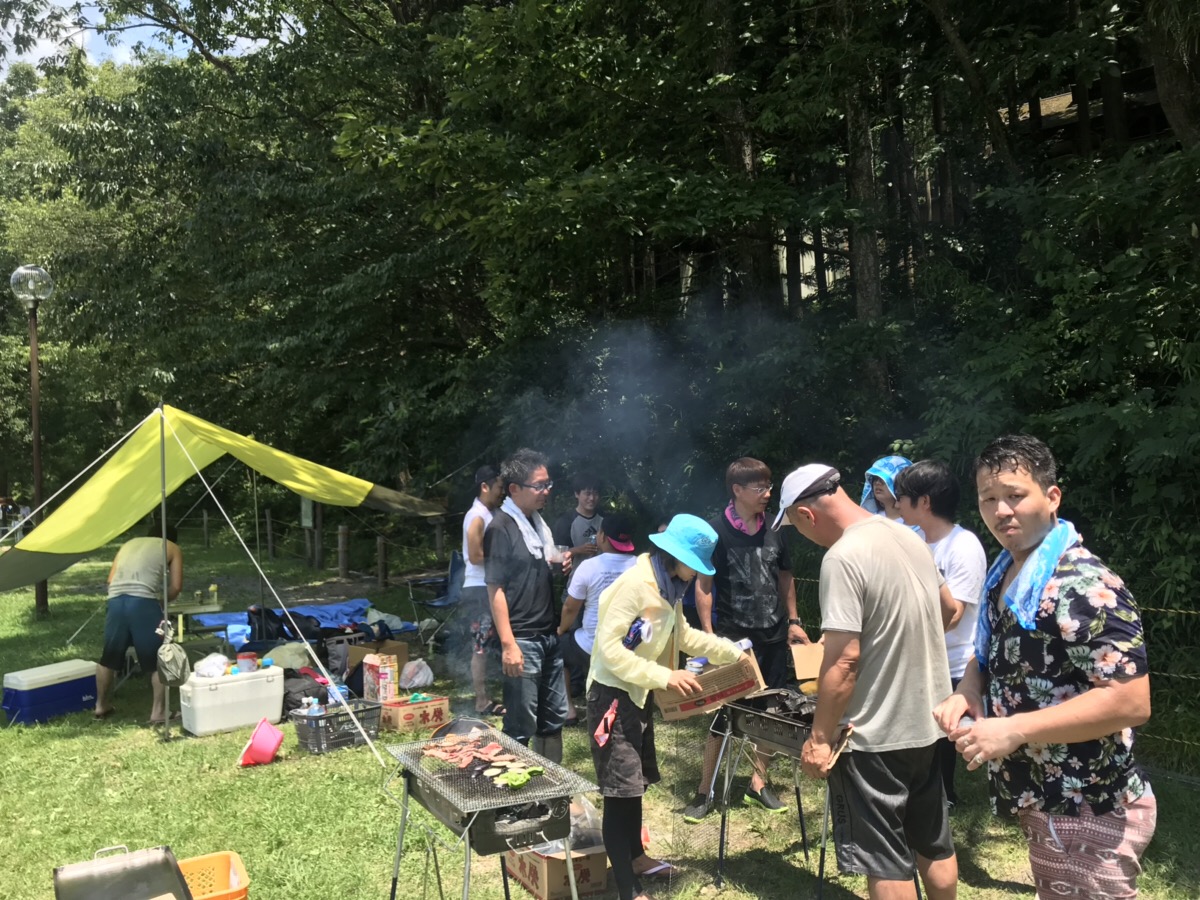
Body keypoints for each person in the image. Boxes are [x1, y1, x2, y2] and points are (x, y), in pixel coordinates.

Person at [934, 435, 1154, 899]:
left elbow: (1130, 701)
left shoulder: (1083, 583)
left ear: (1052, 497)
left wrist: (1013, 729)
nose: (1001, 511)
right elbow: (991, 651)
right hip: (1046, 798)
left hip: (1091, 804)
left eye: (1015, 495)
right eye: (988, 499)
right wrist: (968, 689)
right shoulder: (1009, 572)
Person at [776, 464, 958, 900]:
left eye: (797, 528)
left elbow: (844, 661)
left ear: (807, 515)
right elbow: (949, 610)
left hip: (874, 733)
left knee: (885, 859)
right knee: (933, 841)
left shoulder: (842, 557)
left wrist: (820, 739)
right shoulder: (908, 537)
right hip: (928, 720)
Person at [588, 514, 745, 900]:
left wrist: (734, 653)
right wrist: (664, 676)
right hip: (611, 698)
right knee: (619, 792)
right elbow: (609, 651)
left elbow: (684, 635)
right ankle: (628, 889)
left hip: (638, 694)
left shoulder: (669, 586)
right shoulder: (635, 586)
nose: (698, 574)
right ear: (676, 556)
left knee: (634, 785)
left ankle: (637, 858)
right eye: (696, 565)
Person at [682, 457, 810, 823]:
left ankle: (758, 782)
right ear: (737, 490)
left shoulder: (775, 527)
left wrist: (794, 621)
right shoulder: (715, 531)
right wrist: (709, 637)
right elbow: (704, 585)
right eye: (760, 488)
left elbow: (785, 576)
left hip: (773, 635)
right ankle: (704, 790)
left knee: (771, 712)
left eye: (769, 486)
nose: (768, 494)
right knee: (723, 714)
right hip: (733, 641)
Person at [894, 459, 987, 809]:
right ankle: (926, 796)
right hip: (916, 655)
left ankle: (945, 798)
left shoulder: (964, 546)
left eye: (902, 497)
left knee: (944, 736)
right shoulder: (912, 540)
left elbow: (954, 615)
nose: (897, 504)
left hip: (955, 661)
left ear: (925, 502)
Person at [485, 448, 570, 762]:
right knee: (521, 725)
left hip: (548, 636)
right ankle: (515, 789)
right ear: (514, 489)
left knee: (554, 719)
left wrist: (560, 565)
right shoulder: (500, 528)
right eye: (540, 486)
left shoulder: (537, 524)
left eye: (549, 484)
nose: (547, 491)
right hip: (522, 639)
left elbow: (533, 571)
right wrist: (508, 644)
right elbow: (495, 589)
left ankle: (552, 784)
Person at [94, 521, 183, 724]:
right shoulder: (172, 547)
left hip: (115, 600)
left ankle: (101, 705)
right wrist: (160, 602)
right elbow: (176, 586)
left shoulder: (129, 544)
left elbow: (110, 579)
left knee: (109, 657)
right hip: (143, 602)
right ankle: (158, 712)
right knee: (160, 657)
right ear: (172, 538)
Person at [558, 513, 638, 727]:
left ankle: (568, 710)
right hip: (628, 645)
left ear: (601, 536)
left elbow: (570, 608)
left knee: (558, 649)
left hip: (592, 646)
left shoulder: (588, 567)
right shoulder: (639, 566)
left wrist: (561, 629)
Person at [461, 464, 506, 717]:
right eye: (499, 487)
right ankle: (481, 701)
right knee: (480, 647)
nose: (502, 492)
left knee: (490, 645)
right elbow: (475, 556)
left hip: (489, 585)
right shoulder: (476, 516)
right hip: (479, 590)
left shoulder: (490, 513)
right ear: (485, 486)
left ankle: (490, 695)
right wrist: (506, 558)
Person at [552, 473, 603, 562]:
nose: (592, 498)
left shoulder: (605, 520)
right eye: (587, 494)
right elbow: (556, 555)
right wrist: (578, 550)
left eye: (595, 493)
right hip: (576, 570)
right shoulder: (565, 522)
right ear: (577, 494)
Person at [860, 455, 913, 521]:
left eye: (883, 479)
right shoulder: (869, 521)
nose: (877, 483)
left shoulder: (919, 524)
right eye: (875, 478)